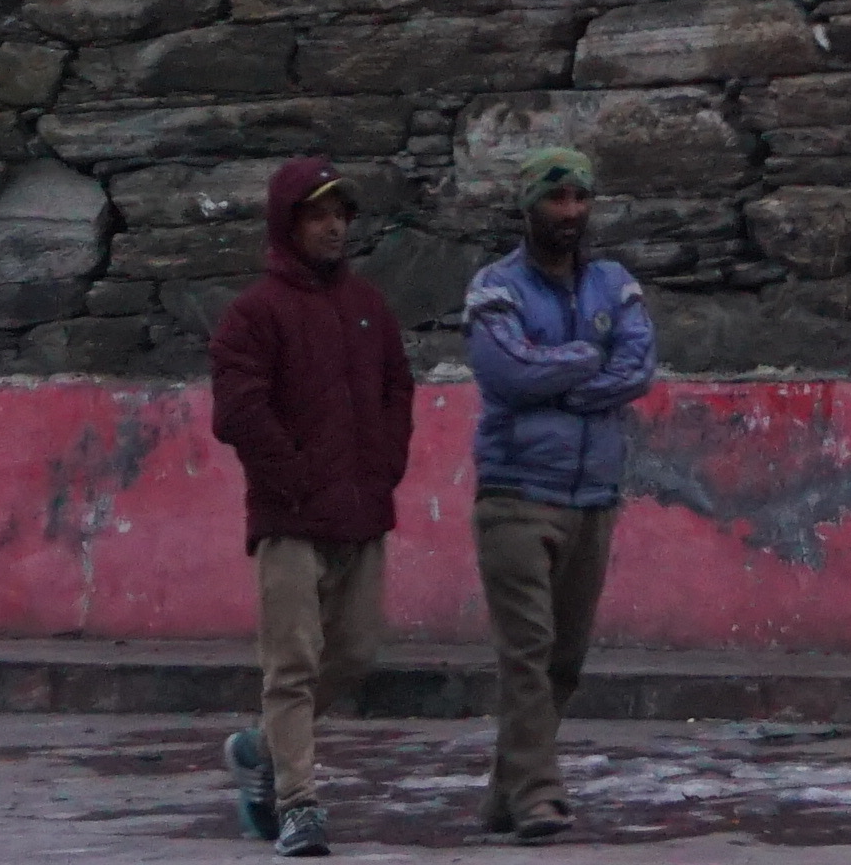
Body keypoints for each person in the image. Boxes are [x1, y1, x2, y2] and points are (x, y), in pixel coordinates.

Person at [206, 156, 413, 856]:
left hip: (361, 514)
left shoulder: (367, 309)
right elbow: (238, 411)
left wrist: (383, 472)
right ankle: (298, 801)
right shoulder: (252, 314)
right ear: (286, 223)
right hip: (290, 518)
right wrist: (293, 478)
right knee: (291, 665)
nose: (333, 227)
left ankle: (261, 748)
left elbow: (396, 392)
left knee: (353, 653)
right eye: (318, 214)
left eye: (340, 214)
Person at [460, 143, 656, 846]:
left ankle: (504, 794)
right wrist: (584, 360)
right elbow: (507, 371)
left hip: (593, 497)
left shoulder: (615, 283)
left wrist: (559, 375)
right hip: (516, 494)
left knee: (564, 660)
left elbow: (637, 368)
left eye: (578, 198)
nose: (569, 213)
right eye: (555, 198)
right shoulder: (496, 289)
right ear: (527, 206)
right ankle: (540, 795)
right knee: (528, 649)